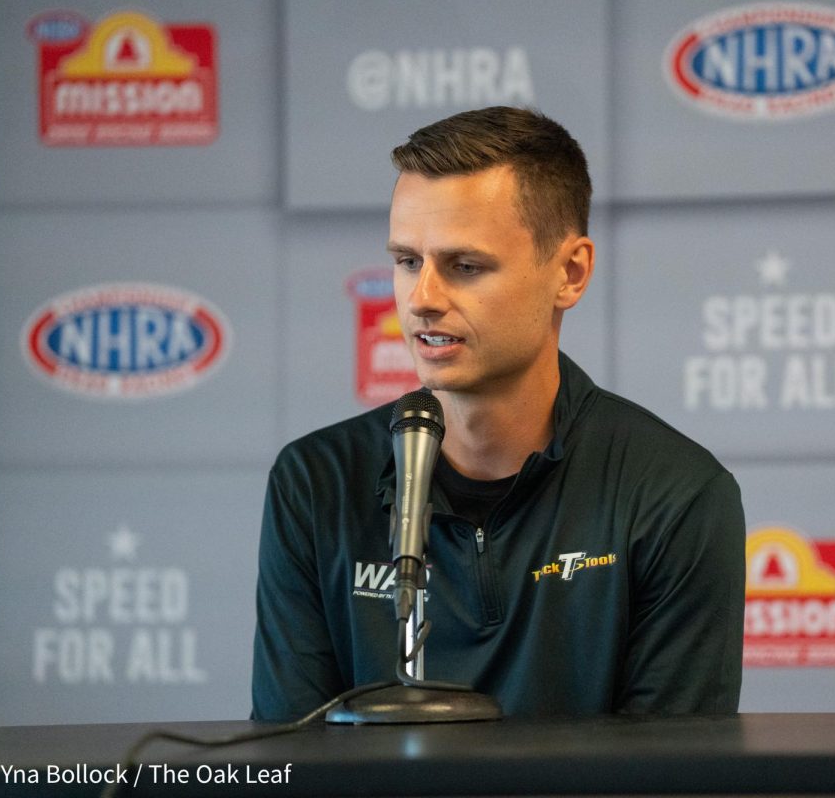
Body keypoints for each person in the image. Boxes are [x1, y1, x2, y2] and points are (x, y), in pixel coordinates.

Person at [251, 106, 745, 720]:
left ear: (570, 272)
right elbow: (286, 765)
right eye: (408, 261)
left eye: (465, 266)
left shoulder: (674, 494)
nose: (421, 300)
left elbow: (670, 779)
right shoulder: (314, 482)